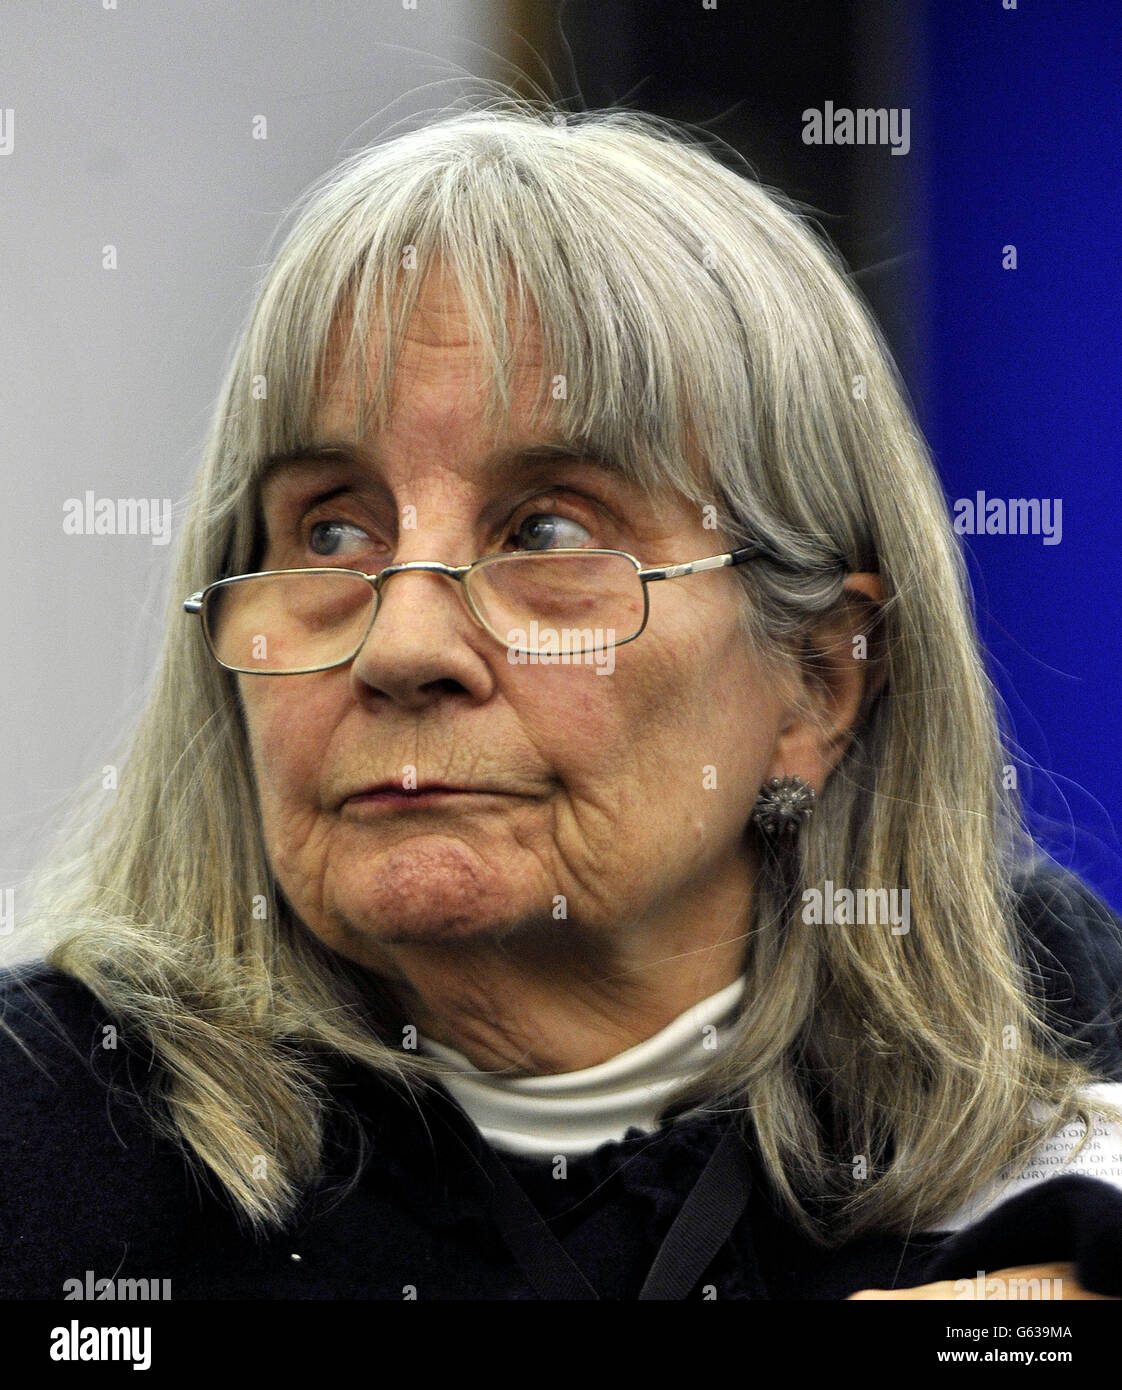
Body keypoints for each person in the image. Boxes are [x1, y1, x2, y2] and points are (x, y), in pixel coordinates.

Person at [2, 101, 1121, 1302]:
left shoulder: (1040, 1011)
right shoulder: (51, 1141)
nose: (404, 642)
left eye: (546, 528)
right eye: (331, 529)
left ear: (817, 681)